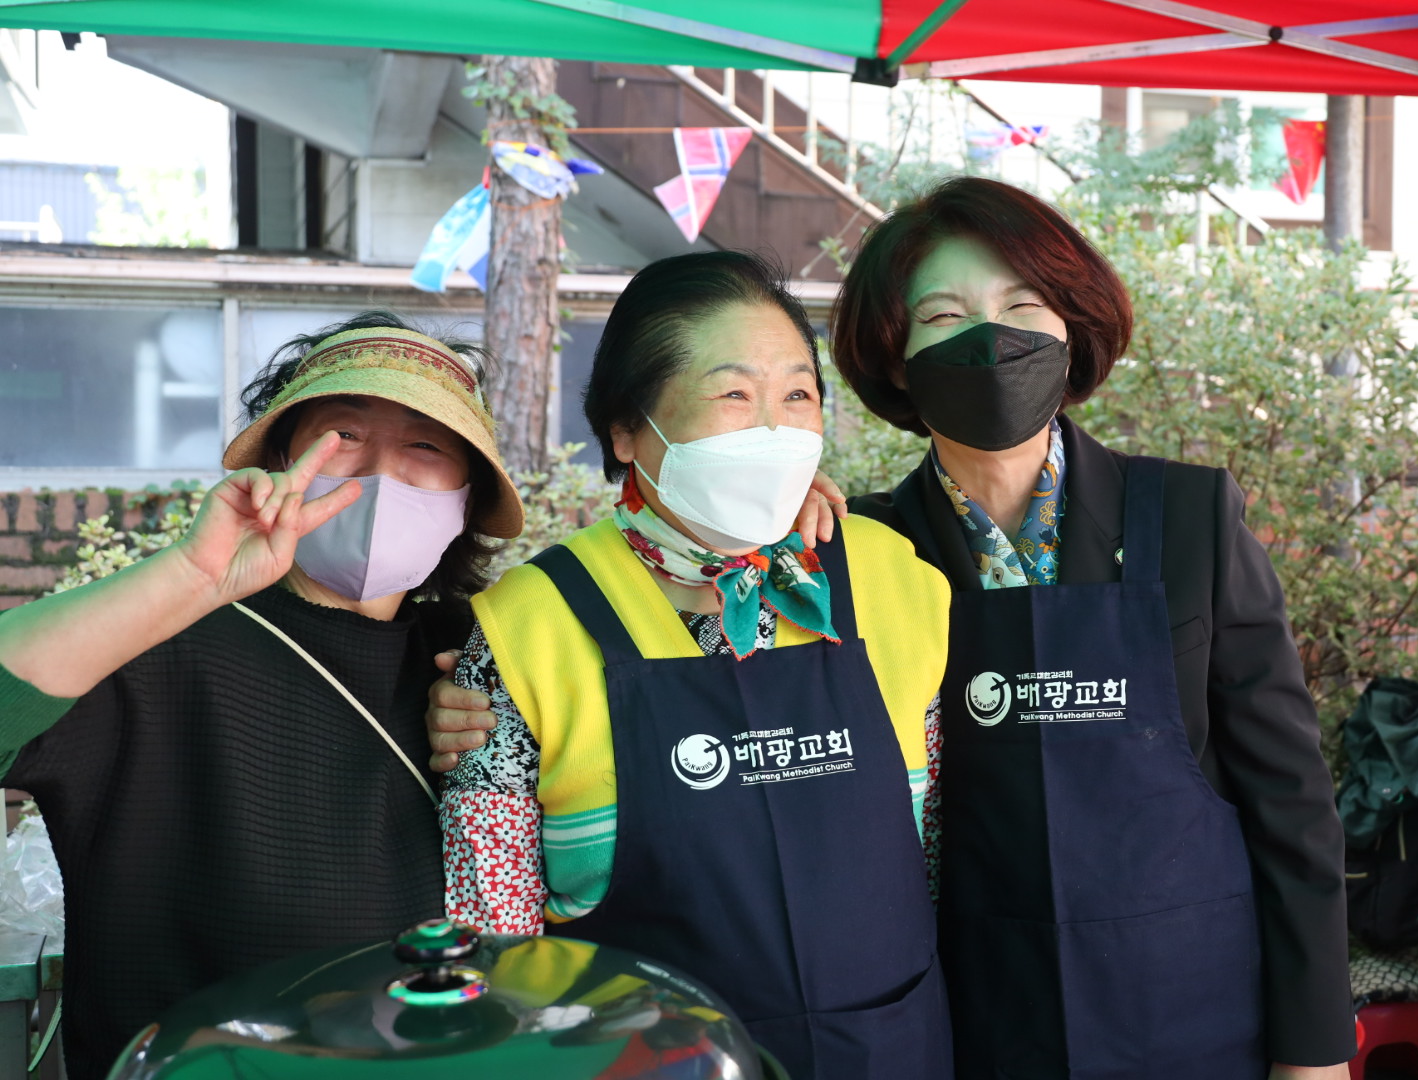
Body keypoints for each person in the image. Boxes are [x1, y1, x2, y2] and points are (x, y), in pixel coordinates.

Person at [830, 177, 1356, 1080]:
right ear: (896, 357)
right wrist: (762, 532)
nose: (989, 337)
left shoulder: (1189, 517)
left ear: (1071, 328)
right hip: (976, 1018)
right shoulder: (866, 551)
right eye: (943, 315)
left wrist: (1314, 1050)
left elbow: (1292, 802)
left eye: (1022, 305)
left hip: (1194, 1011)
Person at [436, 250, 953, 1080]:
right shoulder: (530, 626)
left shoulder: (895, 581)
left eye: (797, 396)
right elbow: (495, 944)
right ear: (626, 428)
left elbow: (940, 861)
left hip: (887, 1050)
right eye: (734, 396)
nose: (774, 430)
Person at [0, 313, 525, 1079]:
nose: (380, 473)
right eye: (343, 434)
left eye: (425, 446)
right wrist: (190, 578)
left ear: (466, 498)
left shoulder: (484, 658)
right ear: (281, 460)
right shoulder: (159, 650)